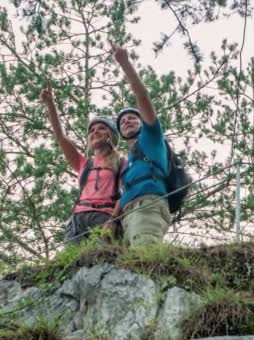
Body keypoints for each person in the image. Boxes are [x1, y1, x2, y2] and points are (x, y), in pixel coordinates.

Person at [39, 80, 124, 244]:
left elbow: (127, 192)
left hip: (104, 216)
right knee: (71, 265)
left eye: (101, 128)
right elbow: (60, 137)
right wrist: (50, 105)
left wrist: (113, 220)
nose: (94, 132)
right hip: (77, 219)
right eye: (91, 130)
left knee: (101, 260)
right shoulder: (84, 164)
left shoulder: (121, 162)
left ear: (110, 135)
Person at [111, 42, 171, 247]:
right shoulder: (130, 160)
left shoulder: (151, 136)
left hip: (147, 206)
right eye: (122, 122)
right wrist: (113, 218)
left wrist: (125, 64)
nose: (126, 121)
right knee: (132, 268)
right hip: (129, 213)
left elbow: (142, 96)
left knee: (144, 263)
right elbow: (124, 191)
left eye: (132, 118)